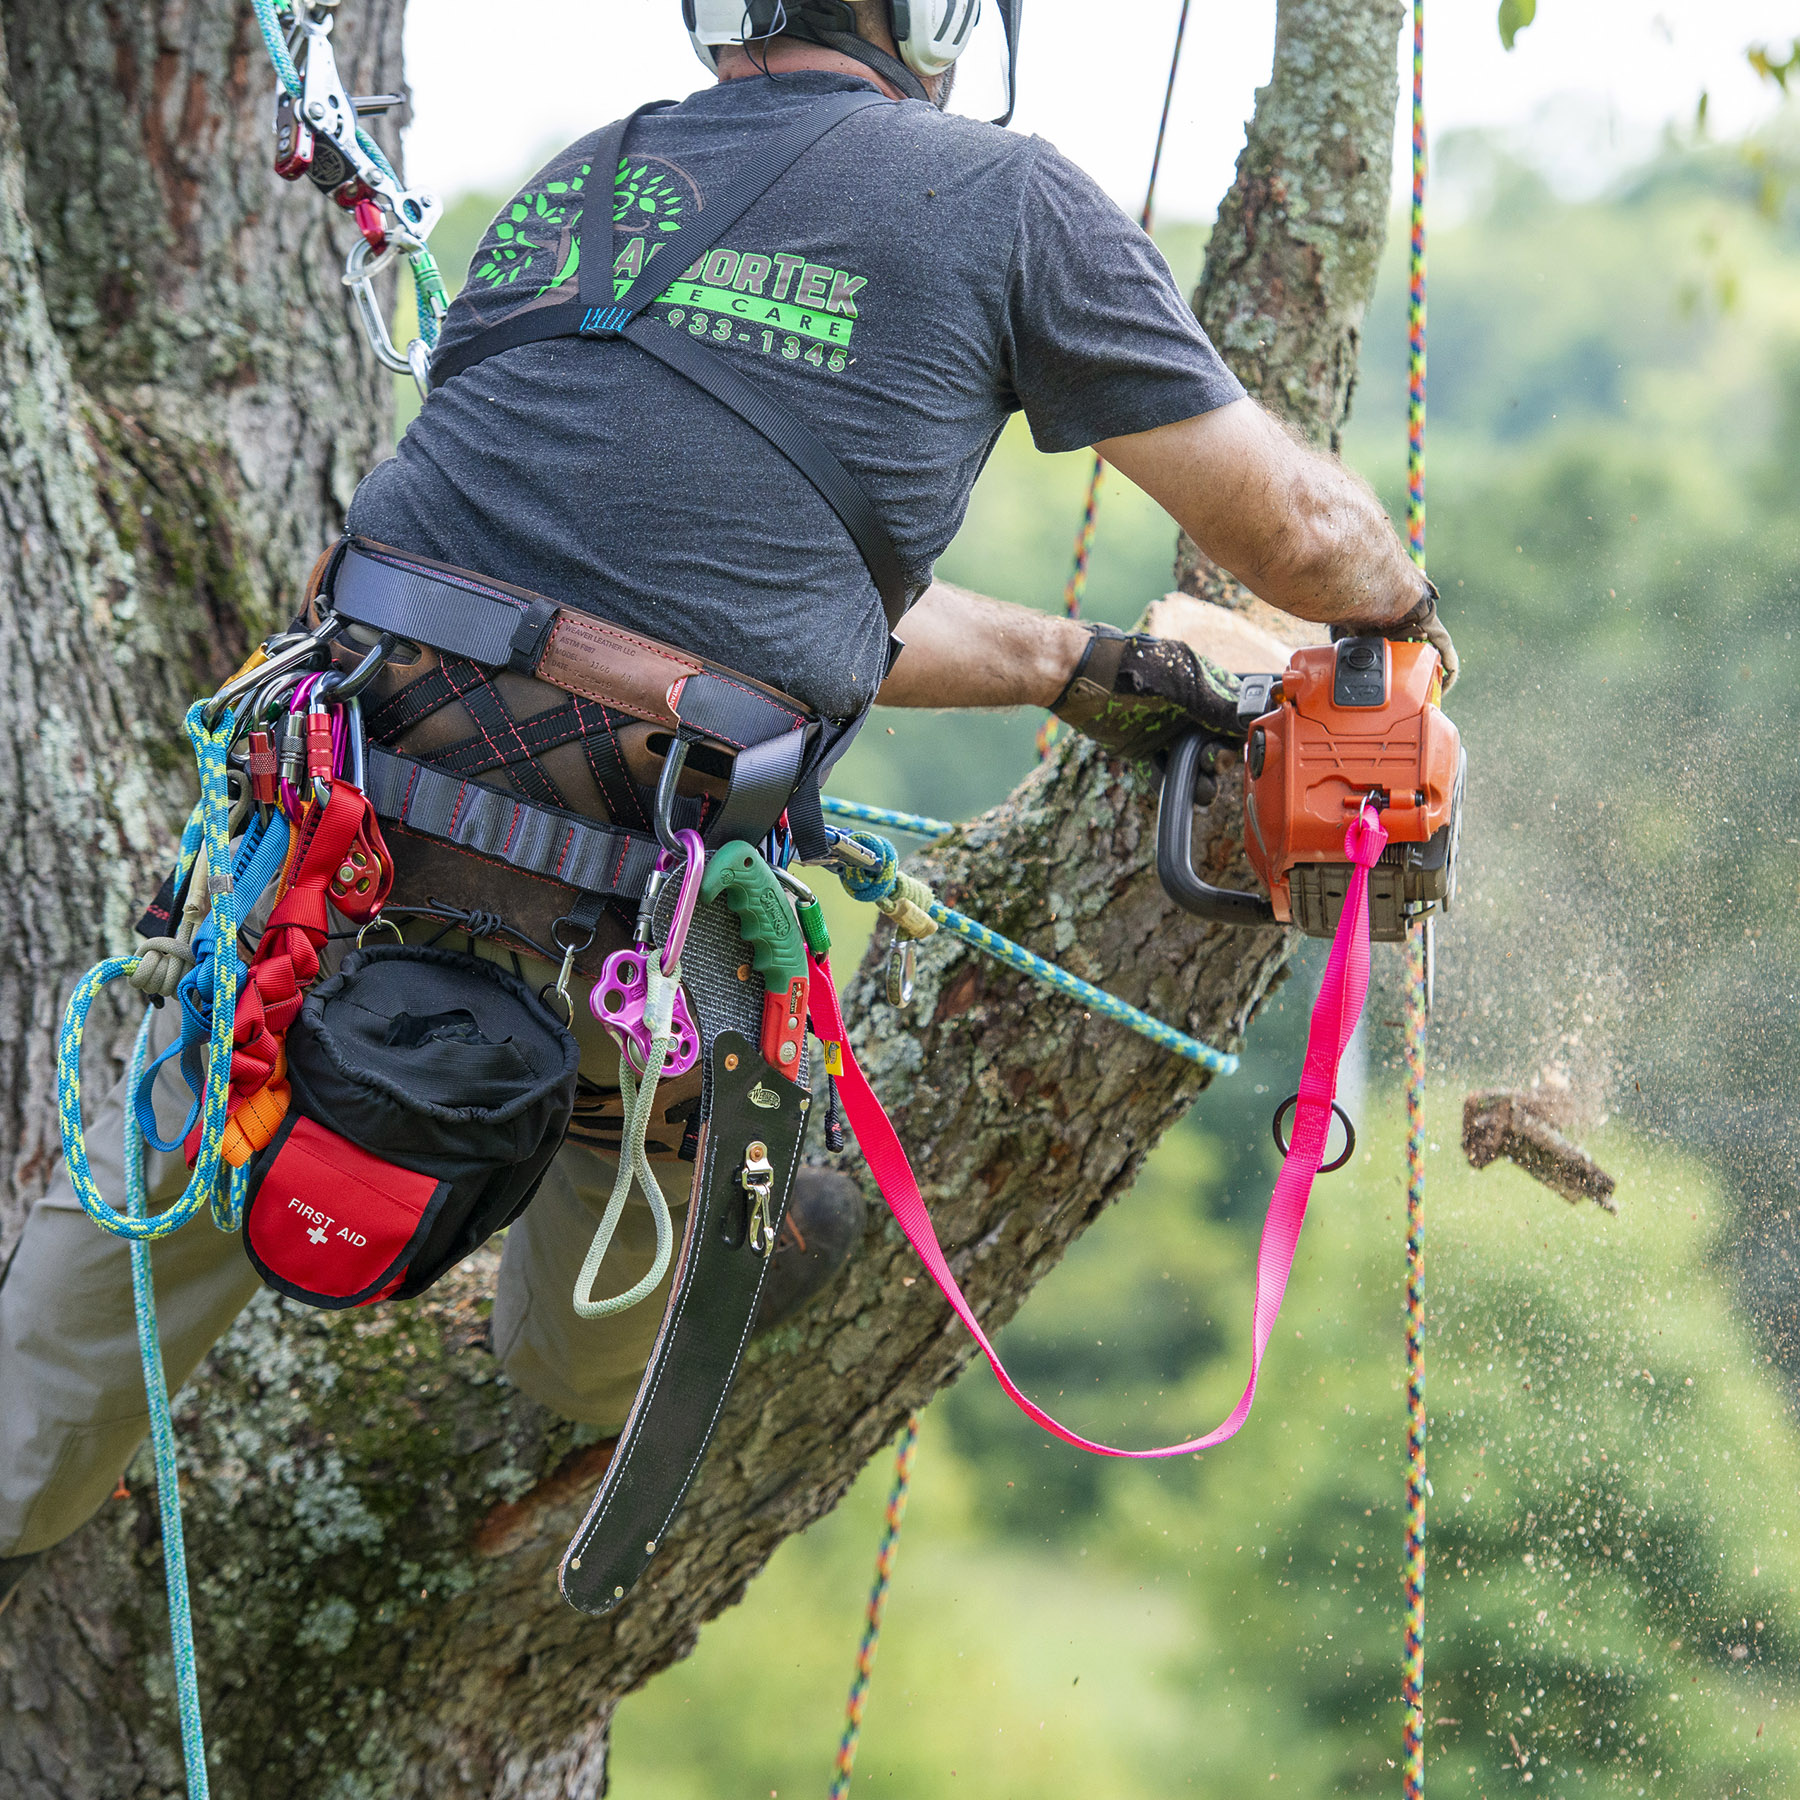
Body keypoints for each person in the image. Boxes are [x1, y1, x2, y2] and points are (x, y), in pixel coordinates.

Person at [0, 0, 1453, 1612]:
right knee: (576, 1362)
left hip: (340, 825)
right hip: (634, 888)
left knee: (84, 1321)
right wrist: (1406, 627)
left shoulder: (584, 181)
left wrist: (1064, 661)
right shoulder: (1009, 199)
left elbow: (722, 591)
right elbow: (1306, 536)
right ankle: (705, 1225)